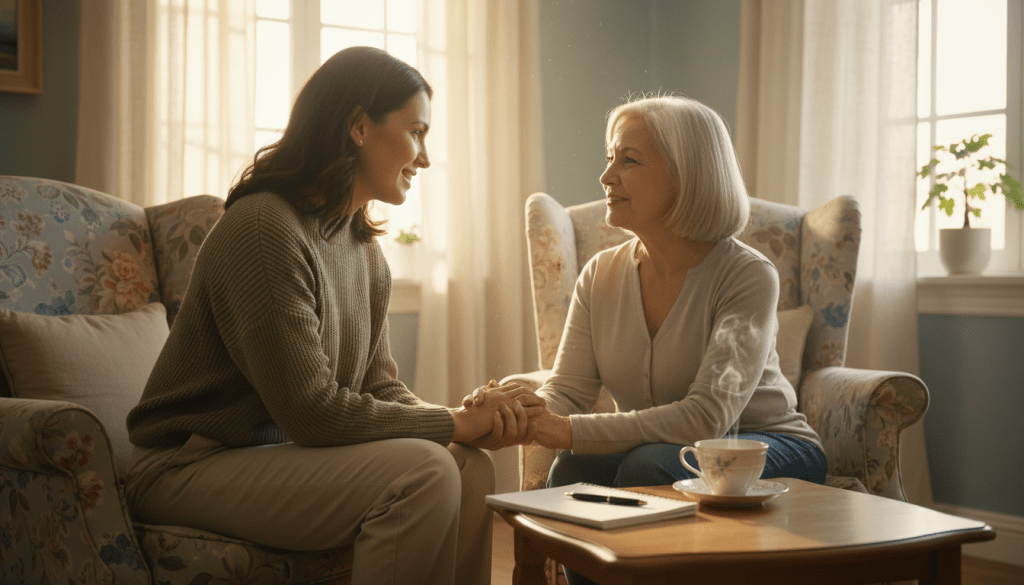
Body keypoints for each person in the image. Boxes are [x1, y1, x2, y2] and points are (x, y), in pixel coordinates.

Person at [125, 46, 540, 585]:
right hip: (186, 465)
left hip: (270, 454)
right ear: (358, 127)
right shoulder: (264, 229)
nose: (425, 157)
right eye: (416, 131)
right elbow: (312, 412)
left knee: (466, 465)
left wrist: (462, 419)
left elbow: (377, 387)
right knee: (425, 469)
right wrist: (455, 422)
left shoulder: (363, 249)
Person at [492, 95, 828, 584]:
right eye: (610, 159)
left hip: (767, 445)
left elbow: (707, 417)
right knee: (571, 469)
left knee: (647, 465)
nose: (607, 177)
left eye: (628, 160)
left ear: (687, 174)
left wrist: (569, 430)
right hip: (667, 450)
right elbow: (567, 391)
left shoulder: (748, 276)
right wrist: (518, 410)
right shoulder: (600, 275)